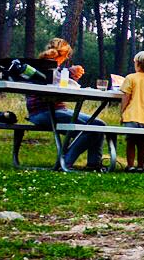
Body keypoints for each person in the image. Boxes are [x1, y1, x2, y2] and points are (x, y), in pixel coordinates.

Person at [24, 37, 106, 171]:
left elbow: (60, 85)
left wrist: (69, 75)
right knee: (90, 130)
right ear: (62, 55)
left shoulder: (56, 70)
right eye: (67, 55)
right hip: (43, 113)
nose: (67, 58)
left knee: (99, 125)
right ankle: (66, 163)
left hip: (58, 110)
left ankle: (94, 164)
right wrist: (69, 75)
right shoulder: (42, 68)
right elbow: (56, 89)